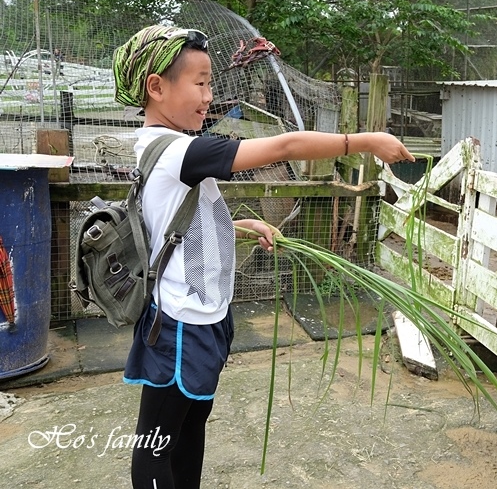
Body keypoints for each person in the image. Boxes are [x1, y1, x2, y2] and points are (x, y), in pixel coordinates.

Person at [112, 25, 414, 489]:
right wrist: (365, 142)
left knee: (190, 427)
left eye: (210, 83)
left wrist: (239, 226)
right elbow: (287, 146)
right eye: (200, 83)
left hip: (204, 317)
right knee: (155, 449)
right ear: (156, 87)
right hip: (178, 323)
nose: (209, 96)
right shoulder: (178, 151)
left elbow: (169, 226)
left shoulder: (169, 151)